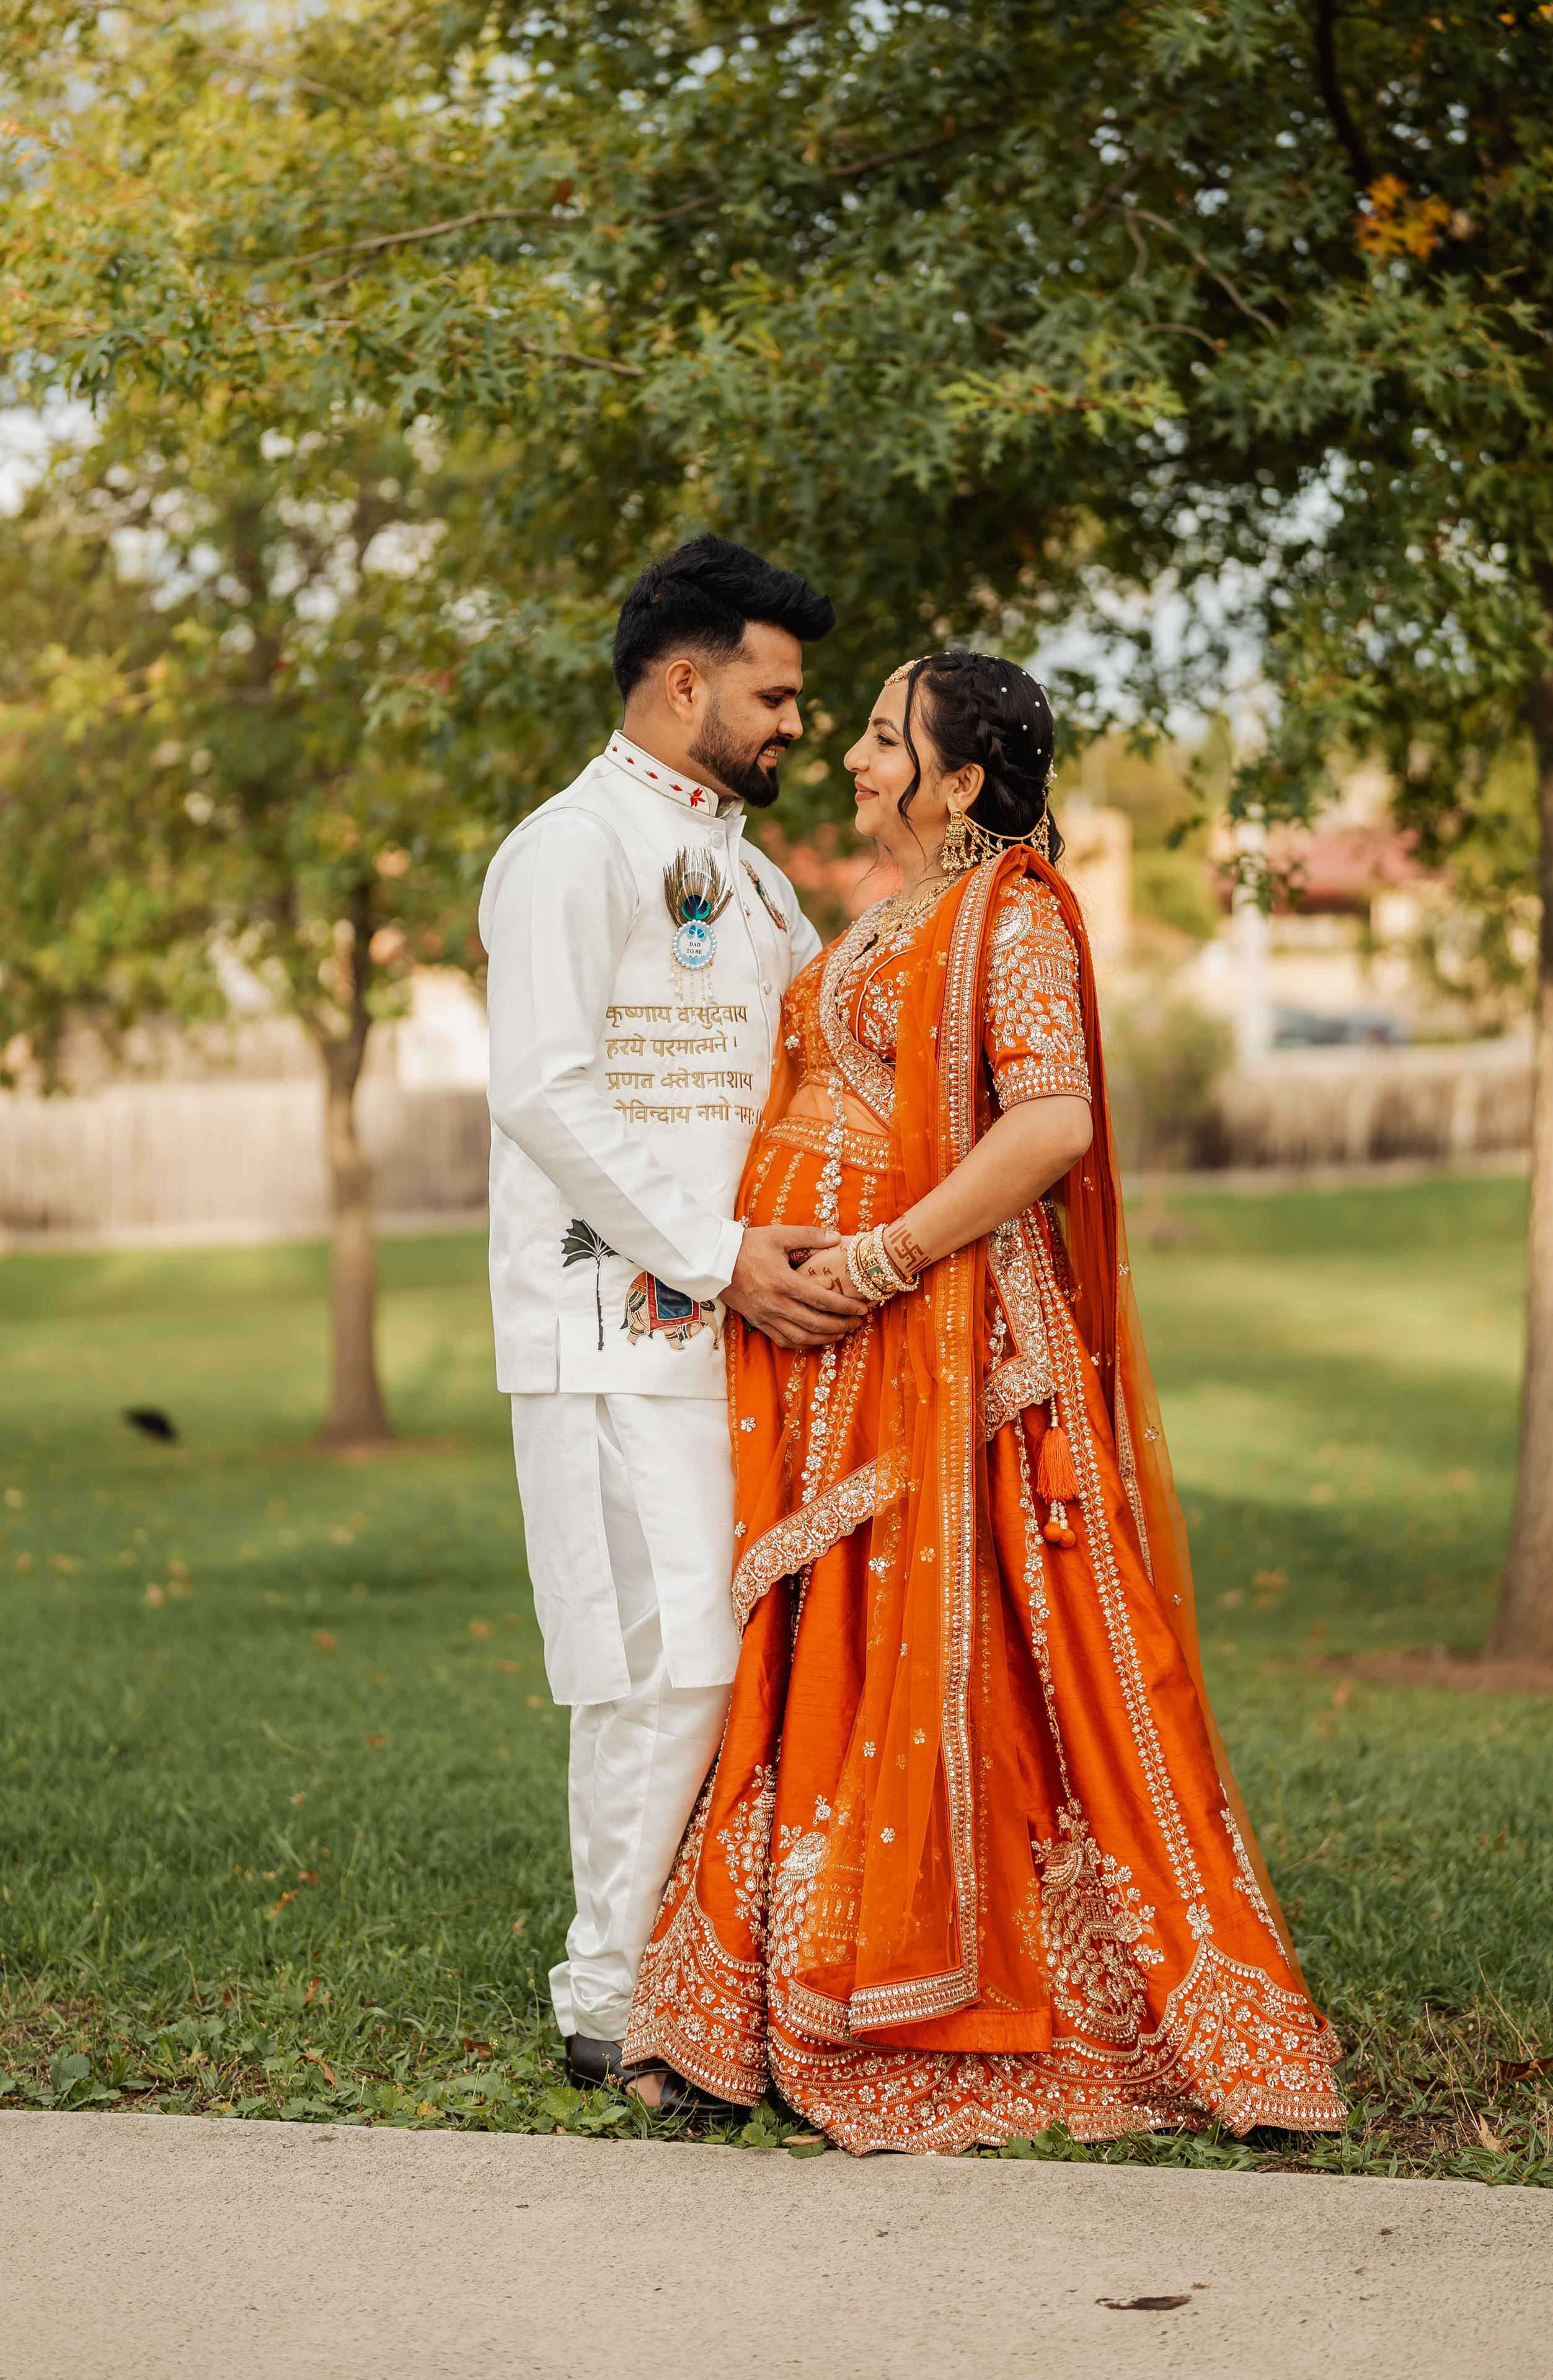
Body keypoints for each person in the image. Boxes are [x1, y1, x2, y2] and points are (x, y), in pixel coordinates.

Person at [624, 648, 1346, 2151]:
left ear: (960, 782)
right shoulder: (893, 912)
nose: (852, 759)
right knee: (835, 1646)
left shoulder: (1006, 912)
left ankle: (1008, 2004)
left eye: (884, 741)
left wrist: (880, 1256)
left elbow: (1057, 1120)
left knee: (997, 1655)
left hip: (952, 1349)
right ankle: (760, 2005)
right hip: (840, 1356)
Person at [479, 535, 867, 2110]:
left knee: (727, 1649)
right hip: (611, 1317)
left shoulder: (753, 869)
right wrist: (715, 1253)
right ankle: (608, 1994)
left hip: (744, 1320)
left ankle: (695, 1978)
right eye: (774, 694)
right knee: (656, 1660)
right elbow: (541, 1088)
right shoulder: (567, 850)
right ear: (686, 678)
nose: (792, 723)